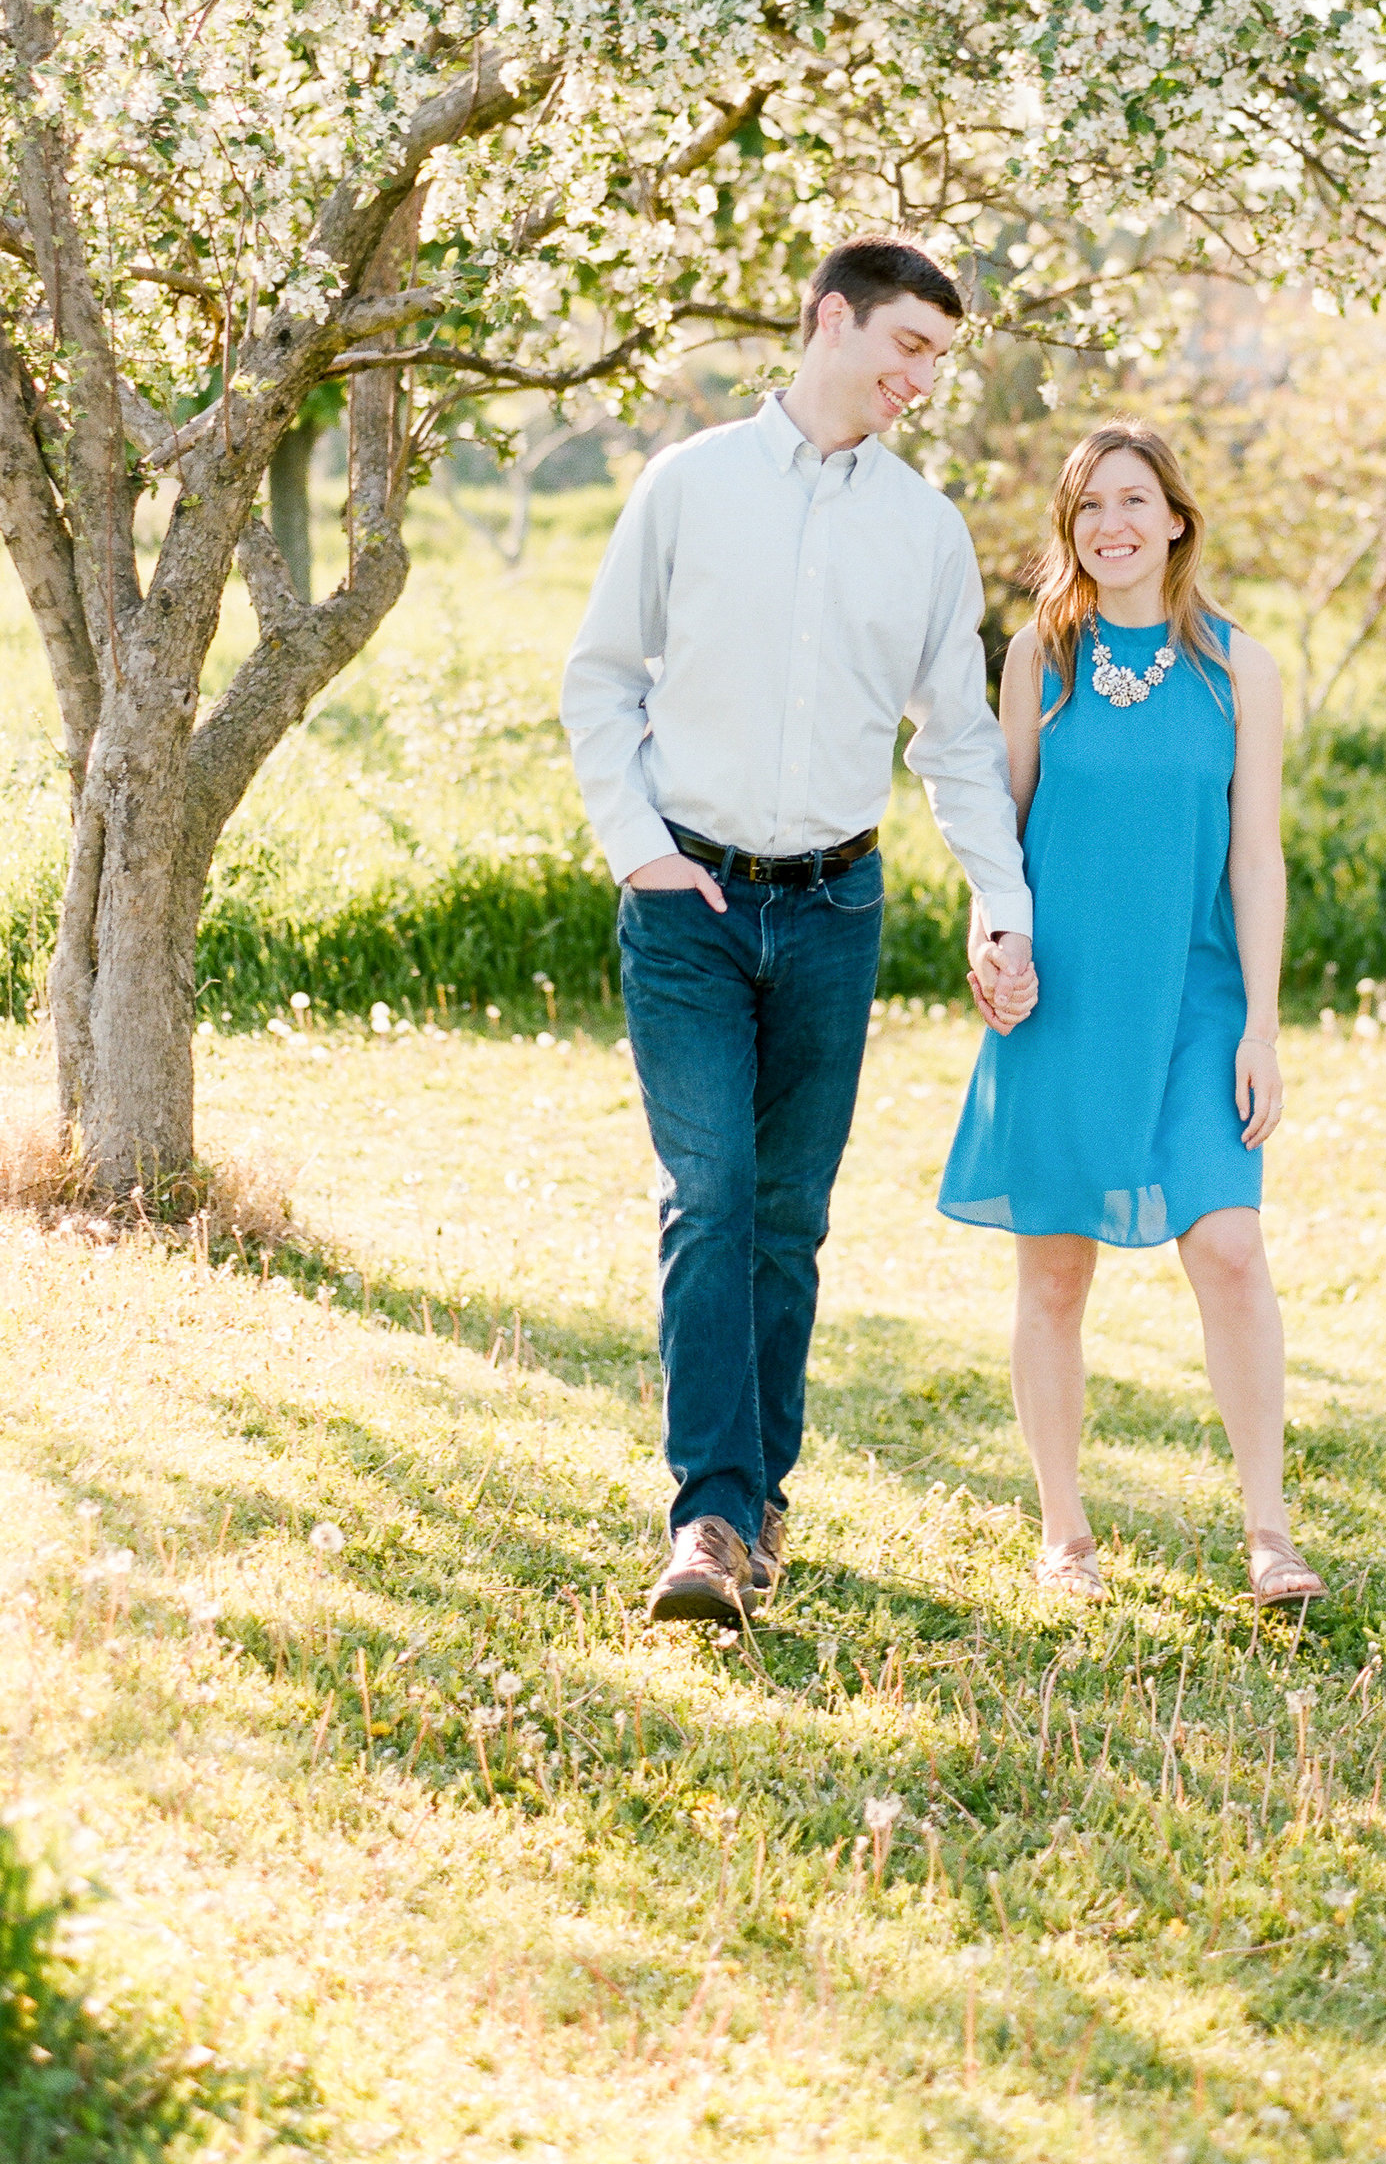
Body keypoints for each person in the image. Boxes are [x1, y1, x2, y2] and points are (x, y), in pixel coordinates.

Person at [561, 238, 1038, 1627]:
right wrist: (639, 851)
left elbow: (955, 742)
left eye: (939, 359)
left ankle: (759, 1491)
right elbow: (601, 679)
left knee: (788, 1216)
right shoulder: (689, 486)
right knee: (708, 1198)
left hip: (837, 905)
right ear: (831, 321)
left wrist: (998, 907)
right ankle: (708, 1514)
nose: (920, 381)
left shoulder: (924, 529)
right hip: (690, 906)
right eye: (907, 347)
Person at [940, 421, 1323, 1609]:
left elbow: (1256, 861)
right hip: (1060, 1004)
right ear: (1070, 529)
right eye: (1088, 506)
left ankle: (1269, 1534)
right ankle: (1065, 1538)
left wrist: (1261, 1023)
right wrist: (986, 939)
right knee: (1053, 1278)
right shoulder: (1038, 663)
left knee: (1231, 1247)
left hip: (1198, 1001)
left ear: (1174, 520)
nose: (1112, 524)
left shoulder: (1236, 668)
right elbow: (995, 839)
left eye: (1133, 500)